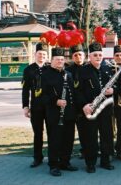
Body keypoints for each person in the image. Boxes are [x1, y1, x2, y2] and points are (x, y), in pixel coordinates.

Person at [76, 42, 115, 173]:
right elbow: (78, 91)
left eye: (100, 55)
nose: (98, 57)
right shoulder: (82, 71)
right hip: (90, 108)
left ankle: (105, 161)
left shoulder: (108, 68)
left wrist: (113, 90)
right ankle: (90, 163)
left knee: (106, 136)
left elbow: (117, 85)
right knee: (90, 137)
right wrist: (84, 105)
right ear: (89, 56)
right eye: (95, 55)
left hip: (105, 109)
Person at [42, 47, 78, 176]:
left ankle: (65, 162)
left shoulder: (68, 74)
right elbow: (42, 96)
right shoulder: (45, 75)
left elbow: (72, 93)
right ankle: (53, 165)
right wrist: (55, 101)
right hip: (54, 114)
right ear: (51, 60)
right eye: (57, 59)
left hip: (69, 113)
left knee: (68, 139)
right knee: (55, 140)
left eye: (62, 59)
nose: (60, 61)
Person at [22, 42, 49, 168]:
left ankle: (53, 156)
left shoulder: (50, 69)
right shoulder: (28, 70)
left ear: (47, 55)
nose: (42, 56)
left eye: (44, 54)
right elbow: (25, 90)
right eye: (39, 54)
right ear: (35, 55)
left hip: (50, 107)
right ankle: (37, 158)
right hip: (36, 107)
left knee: (52, 132)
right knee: (38, 133)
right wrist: (25, 106)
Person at [65, 44, 87, 159]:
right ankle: (68, 154)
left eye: (80, 54)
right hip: (72, 106)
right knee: (69, 133)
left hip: (84, 106)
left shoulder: (89, 68)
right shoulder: (67, 70)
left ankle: (85, 151)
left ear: (84, 55)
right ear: (72, 57)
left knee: (85, 131)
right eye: (76, 55)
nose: (78, 57)